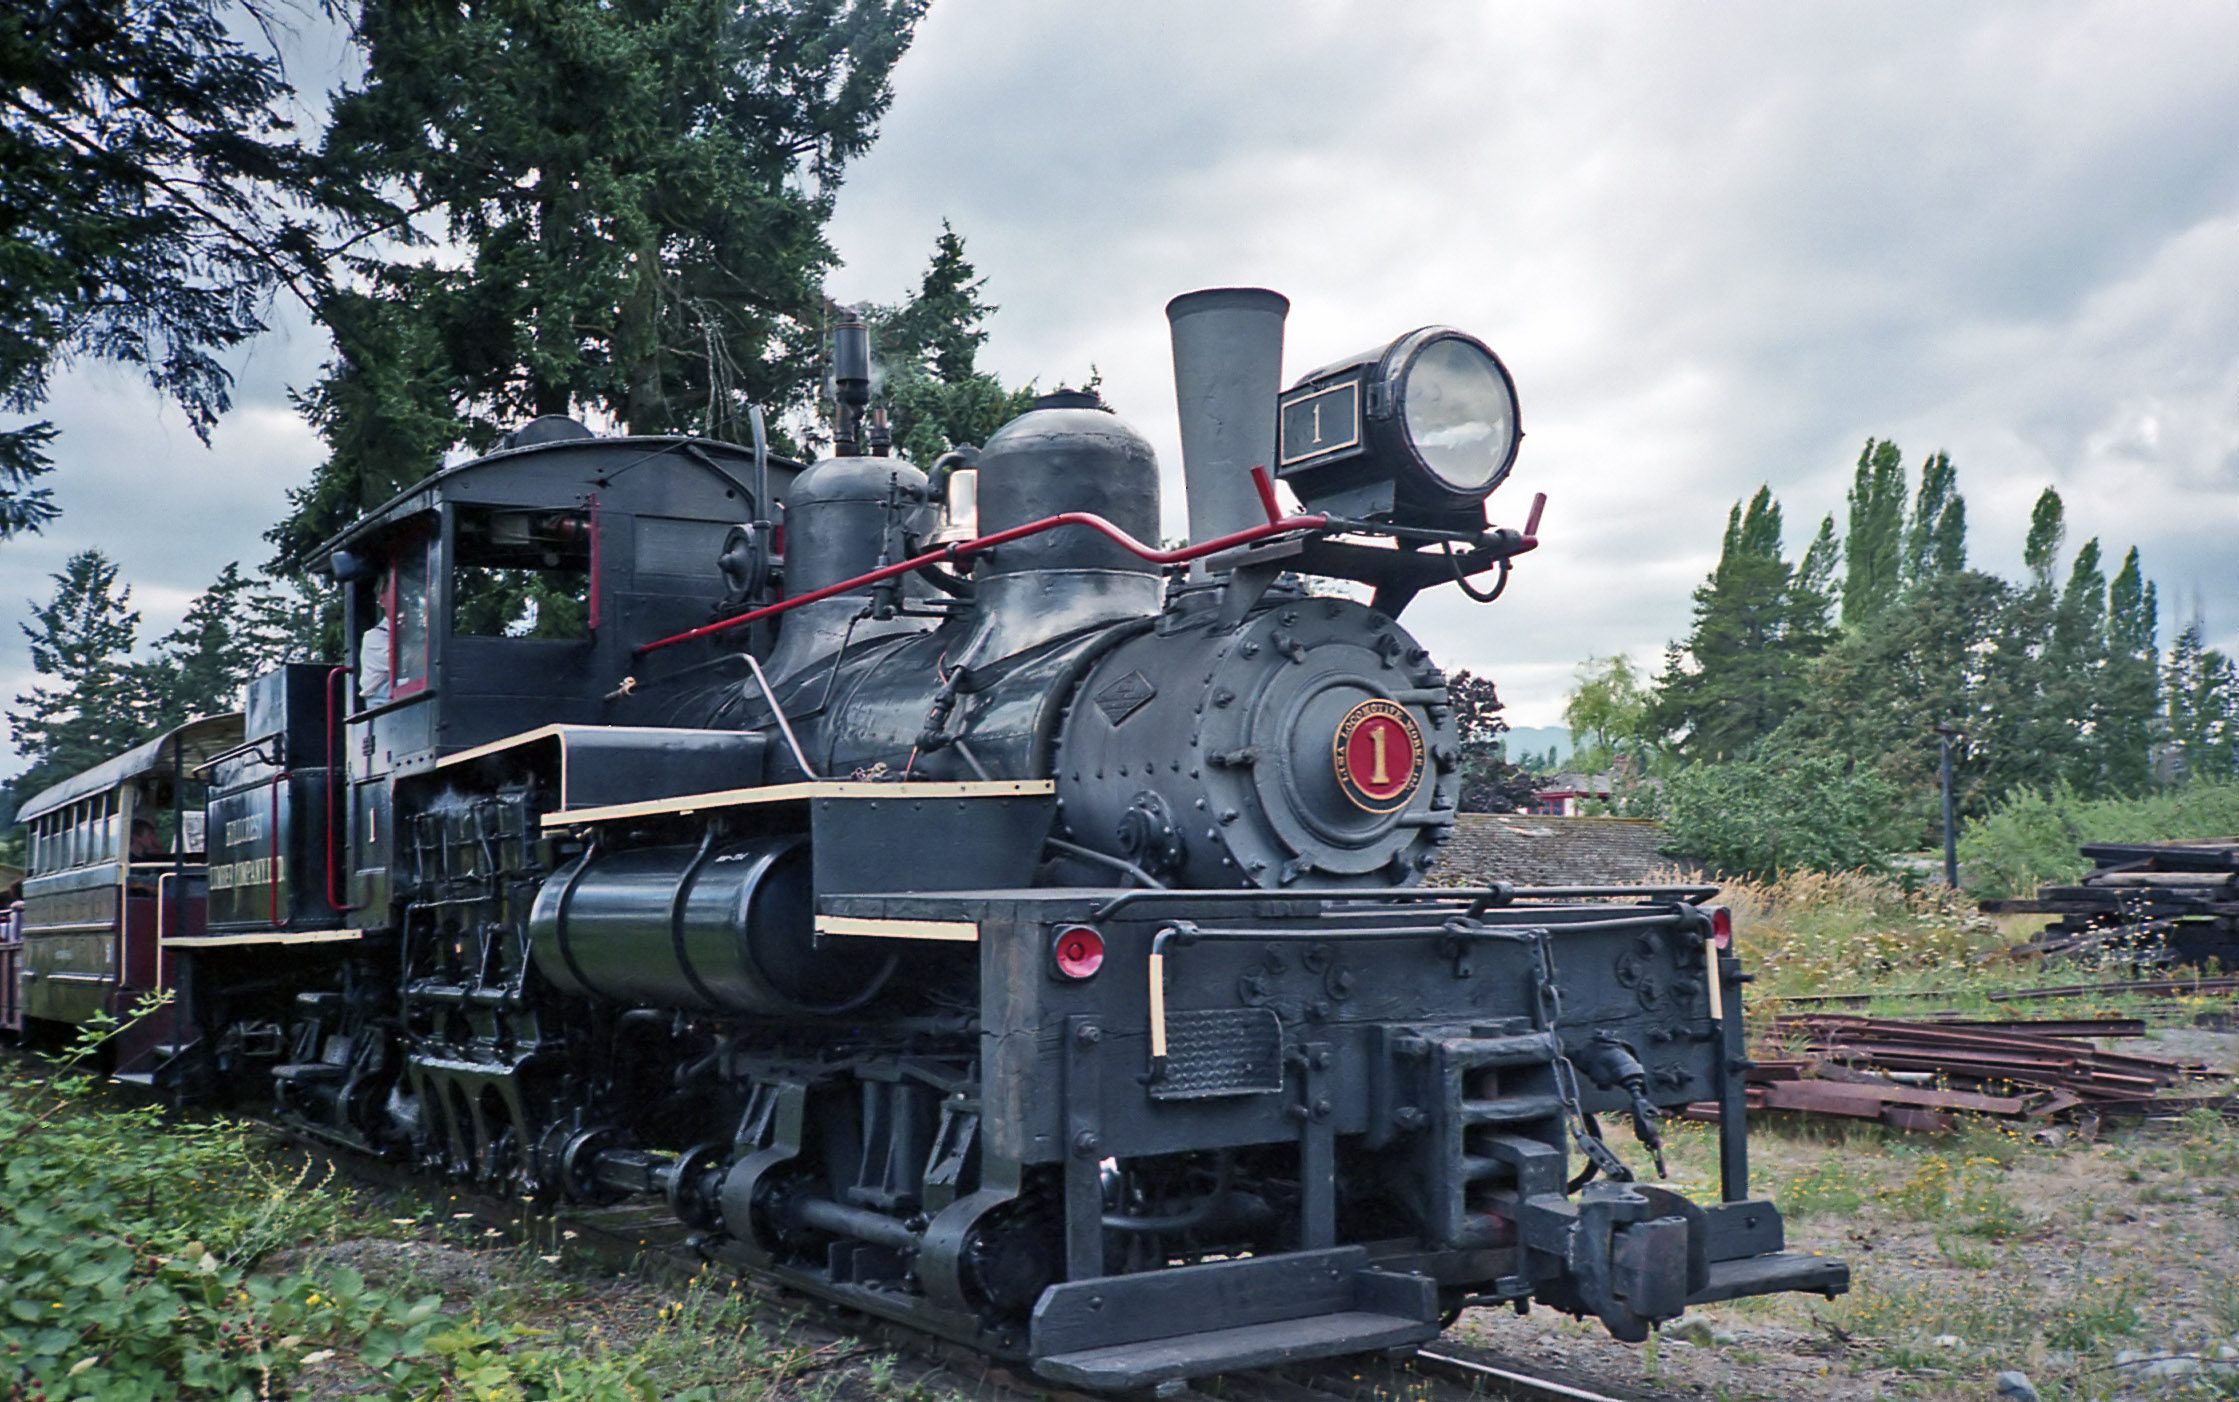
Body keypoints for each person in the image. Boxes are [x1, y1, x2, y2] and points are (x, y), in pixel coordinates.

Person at [360, 597, 393, 705]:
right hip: (382, 706)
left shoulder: (409, 635)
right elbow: (406, 663)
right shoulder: (374, 637)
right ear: (383, 600)